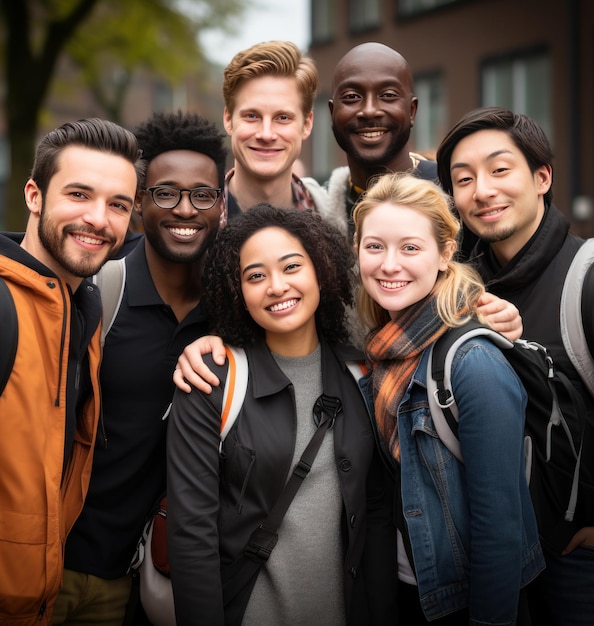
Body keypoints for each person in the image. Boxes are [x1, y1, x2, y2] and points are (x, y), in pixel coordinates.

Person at [166, 204, 395, 625]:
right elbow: (191, 533)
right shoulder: (211, 380)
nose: (276, 286)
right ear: (236, 292)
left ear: (320, 271)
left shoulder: (363, 373)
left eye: (292, 267)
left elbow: (377, 515)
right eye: (255, 276)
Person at [52, 111, 227, 625]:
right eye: (166, 193)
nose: (184, 210)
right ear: (140, 201)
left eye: (202, 195)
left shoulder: (235, 308)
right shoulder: (95, 289)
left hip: (150, 574)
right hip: (61, 565)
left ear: (222, 201)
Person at [0, 118, 142, 624]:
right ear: (34, 195)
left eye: (118, 205)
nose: (98, 219)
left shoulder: (80, 314)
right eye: (79, 194)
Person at [354, 171, 544, 624]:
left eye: (411, 248)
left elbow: (500, 528)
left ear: (444, 254)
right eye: (374, 246)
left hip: (465, 603)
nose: (389, 264)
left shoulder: (472, 362)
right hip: (409, 590)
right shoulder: (385, 348)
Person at [436, 105, 594, 625]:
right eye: (463, 179)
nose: (482, 190)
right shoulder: (455, 290)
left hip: (577, 564)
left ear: (542, 177)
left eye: (500, 170)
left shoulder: (585, 276)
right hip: (494, 562)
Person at [322, 42, 437, 240]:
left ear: (412, 111)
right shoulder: (318, 213)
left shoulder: (452, 191)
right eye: (352, 96)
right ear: (332, 113)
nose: (369, 110)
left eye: (388, 96)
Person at [221, 40, 328, 220]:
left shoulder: (333, 220)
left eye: (283, 118)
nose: (266, 134)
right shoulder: (194, 222)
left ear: (307, 124)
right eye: (252, 116)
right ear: (228, 120)